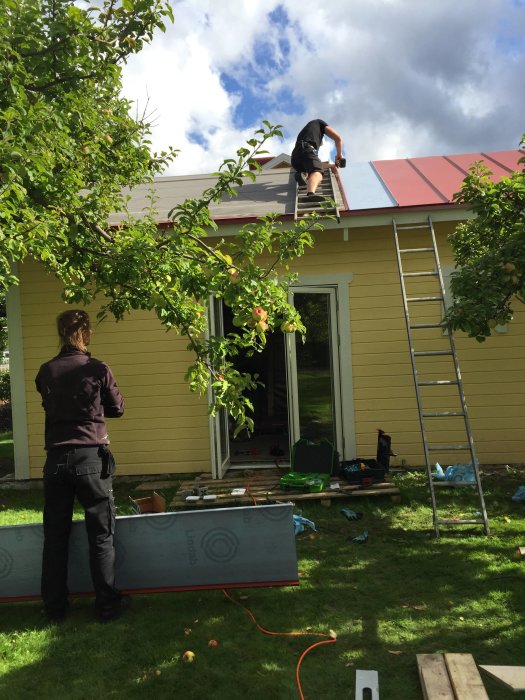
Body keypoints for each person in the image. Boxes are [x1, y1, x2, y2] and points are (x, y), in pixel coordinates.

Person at [35, 309, 127, 623]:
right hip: (91, 457)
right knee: (101, 535)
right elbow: (117, 409)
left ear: (60, 333)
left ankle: (55, 609)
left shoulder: (46, 371)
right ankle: (108, 607)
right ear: (86, 333)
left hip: (56, 461)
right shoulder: (98, 368)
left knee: (56, 536)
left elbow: (50, 405)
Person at [291, 119, 345, 201]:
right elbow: (338, 139)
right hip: (307, 149)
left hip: (295, 157)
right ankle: (310, 194)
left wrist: (331, 166)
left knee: (312, 166)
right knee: (317, 173)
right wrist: (339, 155)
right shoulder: (319, 123)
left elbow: (316, 163)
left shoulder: (306, 132)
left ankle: (302, 174)